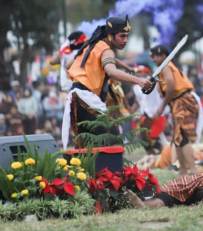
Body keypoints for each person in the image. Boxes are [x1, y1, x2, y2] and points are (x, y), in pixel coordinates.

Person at [62, 16, 152, 149]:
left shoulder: (92, 45)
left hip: (77, 98)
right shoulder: (106, 50)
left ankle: (91, 170)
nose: (125, 40)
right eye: (122, 36)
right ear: (110, 35)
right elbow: (111, 72)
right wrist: (138, 80)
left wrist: (125, 67)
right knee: (113, 141)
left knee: (91, 145)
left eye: (127, 36)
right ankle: (110, 170)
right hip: (86, 99)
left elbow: (69, 65)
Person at [150, 44, 199, 176]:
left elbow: (171, 88)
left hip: (182, 102)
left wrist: (161, 109)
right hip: (179, 102)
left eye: (155, 56)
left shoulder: (166, 66)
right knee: (177, 137)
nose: (153, 59)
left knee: (181, 137)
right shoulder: (170, 66)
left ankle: (193, 169)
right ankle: (183, 169)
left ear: (163, 56)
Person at [128, 65, 166, 154]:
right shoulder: (135, 86)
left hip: (156, 115)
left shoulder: (155, 82)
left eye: (141, 71)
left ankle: (165, 155)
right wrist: (130, 112)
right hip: (145, 117)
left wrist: (162, 109)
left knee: (153, 139)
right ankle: (152, 157)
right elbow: (138, 102)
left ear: (146, 72)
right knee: (144, 140)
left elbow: (164, 95)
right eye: (137, 72)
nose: (139, 74)